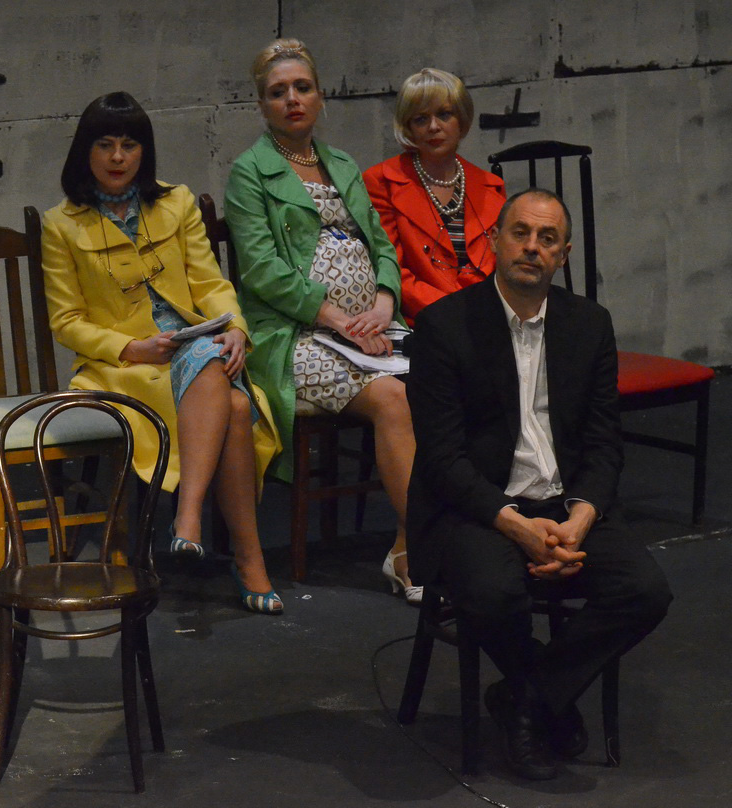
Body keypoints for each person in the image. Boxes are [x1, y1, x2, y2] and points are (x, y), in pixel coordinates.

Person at [406, 188, 672, 780]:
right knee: (494, 592)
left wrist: (580, 519)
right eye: (520, 233)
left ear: (564, 255)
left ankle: (525, 699)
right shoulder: (444, 326)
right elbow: (443, 459)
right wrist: (516, 526)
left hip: (565, 500)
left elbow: (604, 443)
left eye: (547, 238)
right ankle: (546, 698)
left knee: (645, 591)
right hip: (476, 506)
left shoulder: (589, 324)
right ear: (494, 242)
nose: (532, 247)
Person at [41, 91, 285, 613]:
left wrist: (235, 326)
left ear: (144, 151)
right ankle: (245, 557)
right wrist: (131, 347)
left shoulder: (176, 202)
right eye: (105, 145)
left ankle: (188, 517)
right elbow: (66, 321)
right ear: (85, 150)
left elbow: (210, 283)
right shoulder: (61, 223)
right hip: (126, 365)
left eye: (129, 145)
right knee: (235, 405)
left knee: (208, 357)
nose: (117, 157)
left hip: (194, 343)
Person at [224, 39, 420, 603]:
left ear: (320, 96)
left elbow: (381, 244)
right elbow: (260, 270)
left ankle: (410, 541)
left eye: (302, 88)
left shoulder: (342, 164)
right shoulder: (249, 172)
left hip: (367, 329)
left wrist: (383, 300)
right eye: (277, 92)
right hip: (295, 336)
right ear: (261, 105)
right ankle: (421, 554)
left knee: (449, 381)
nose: (292, 99)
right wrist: (335, 317)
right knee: (392, 399)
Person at [363, 68, 507, 326]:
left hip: (487, 317)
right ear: (409, 127)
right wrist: (453, 313)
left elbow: (502, 268)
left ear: (461, 120)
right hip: (424, 321)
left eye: (444, 114)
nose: (433, 127)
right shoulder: (381, 181)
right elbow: (389, 268)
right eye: (420, 119)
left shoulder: (492, 186)